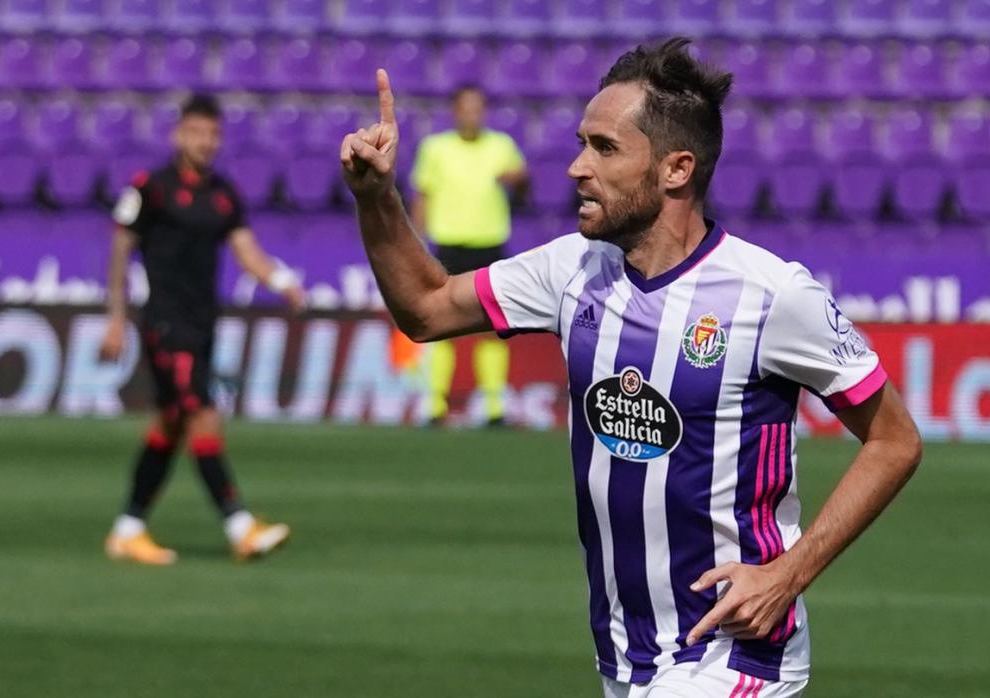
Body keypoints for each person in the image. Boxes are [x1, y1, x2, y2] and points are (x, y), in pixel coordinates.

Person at [339, 38, 922, 696]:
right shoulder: (574, 269)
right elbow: (424, 308)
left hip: (732, 656)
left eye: (604, 148)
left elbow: (894, 438)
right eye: (583, 143)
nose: (576, 168)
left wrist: (788, 574)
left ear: (677, 169)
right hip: (625, 655)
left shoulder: (772, 295)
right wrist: (375, 198)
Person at [100, 94, 304, 565]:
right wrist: (115, 318)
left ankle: (127, 529)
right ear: (177, 134)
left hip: (202, 324)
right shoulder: (150, 188)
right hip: (166, 324)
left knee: (171, 423)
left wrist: (282, 280)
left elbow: (246, 250)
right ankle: (239, 525)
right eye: (195, 132)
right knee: (202, 416)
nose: (204, 142)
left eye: (212, 134)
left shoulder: (223, 195)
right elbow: (119, 249)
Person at [409, 85, 527, 426]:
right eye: (466, 108)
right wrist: (419, 241)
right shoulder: (436, 148)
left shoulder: (501, 146)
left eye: (478, 108)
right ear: (455, 111)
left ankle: (493, 407)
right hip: (449, 244)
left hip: (489, 244)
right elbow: (422, 195)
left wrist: (518, 178)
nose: (472, 114)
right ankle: (434, 404)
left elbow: (523, 182)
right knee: (440, 324)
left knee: (492, 328)